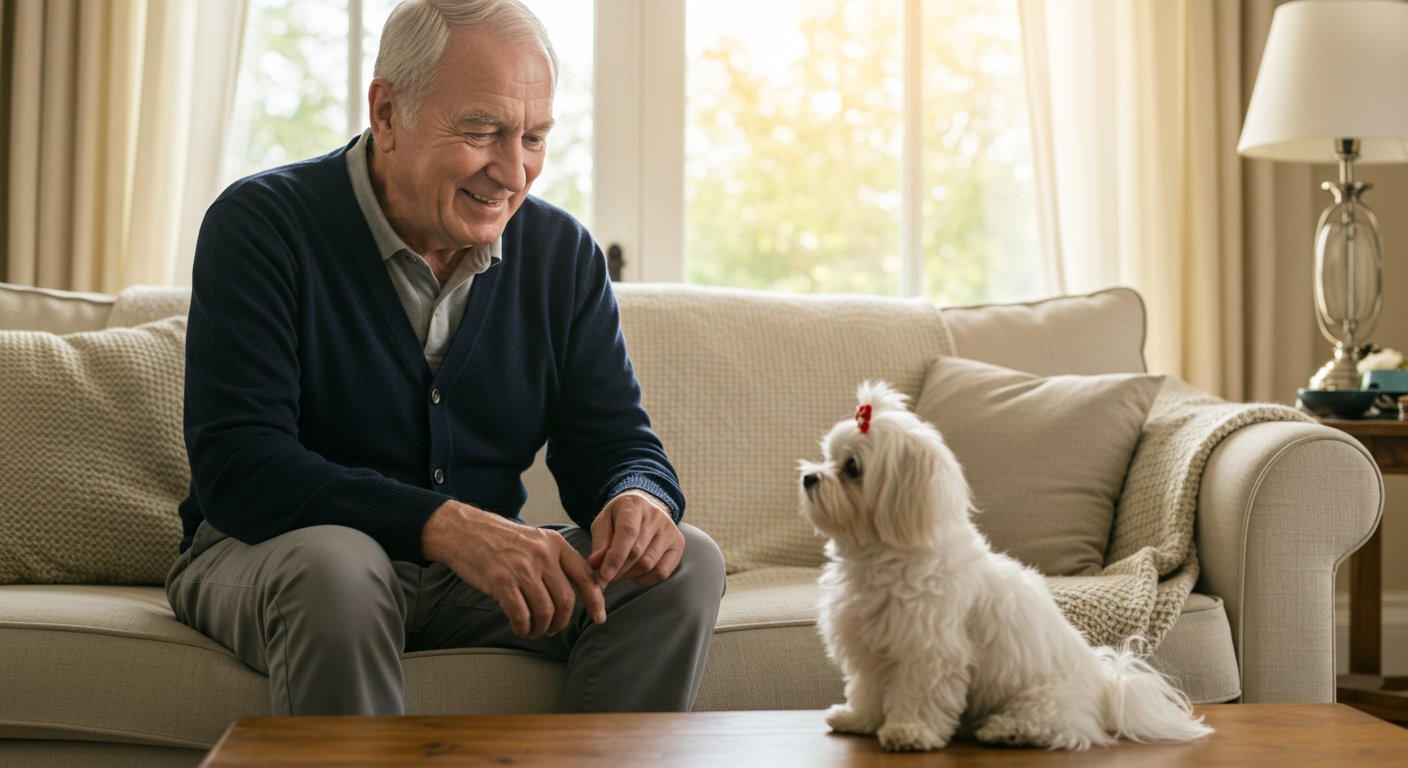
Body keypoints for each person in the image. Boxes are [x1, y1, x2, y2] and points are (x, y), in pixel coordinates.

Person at [165, 0, 725, 716]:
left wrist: (637, 495)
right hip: (277, 554)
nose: (513, 171)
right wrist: (445, 525)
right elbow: (241, 466)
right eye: (482, 131)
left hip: (467, 576)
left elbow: (613, 442)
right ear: (387, 113)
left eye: (534, 137)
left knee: (685, 563)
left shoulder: (562, 256)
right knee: (339, 567)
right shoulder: (261, 225)